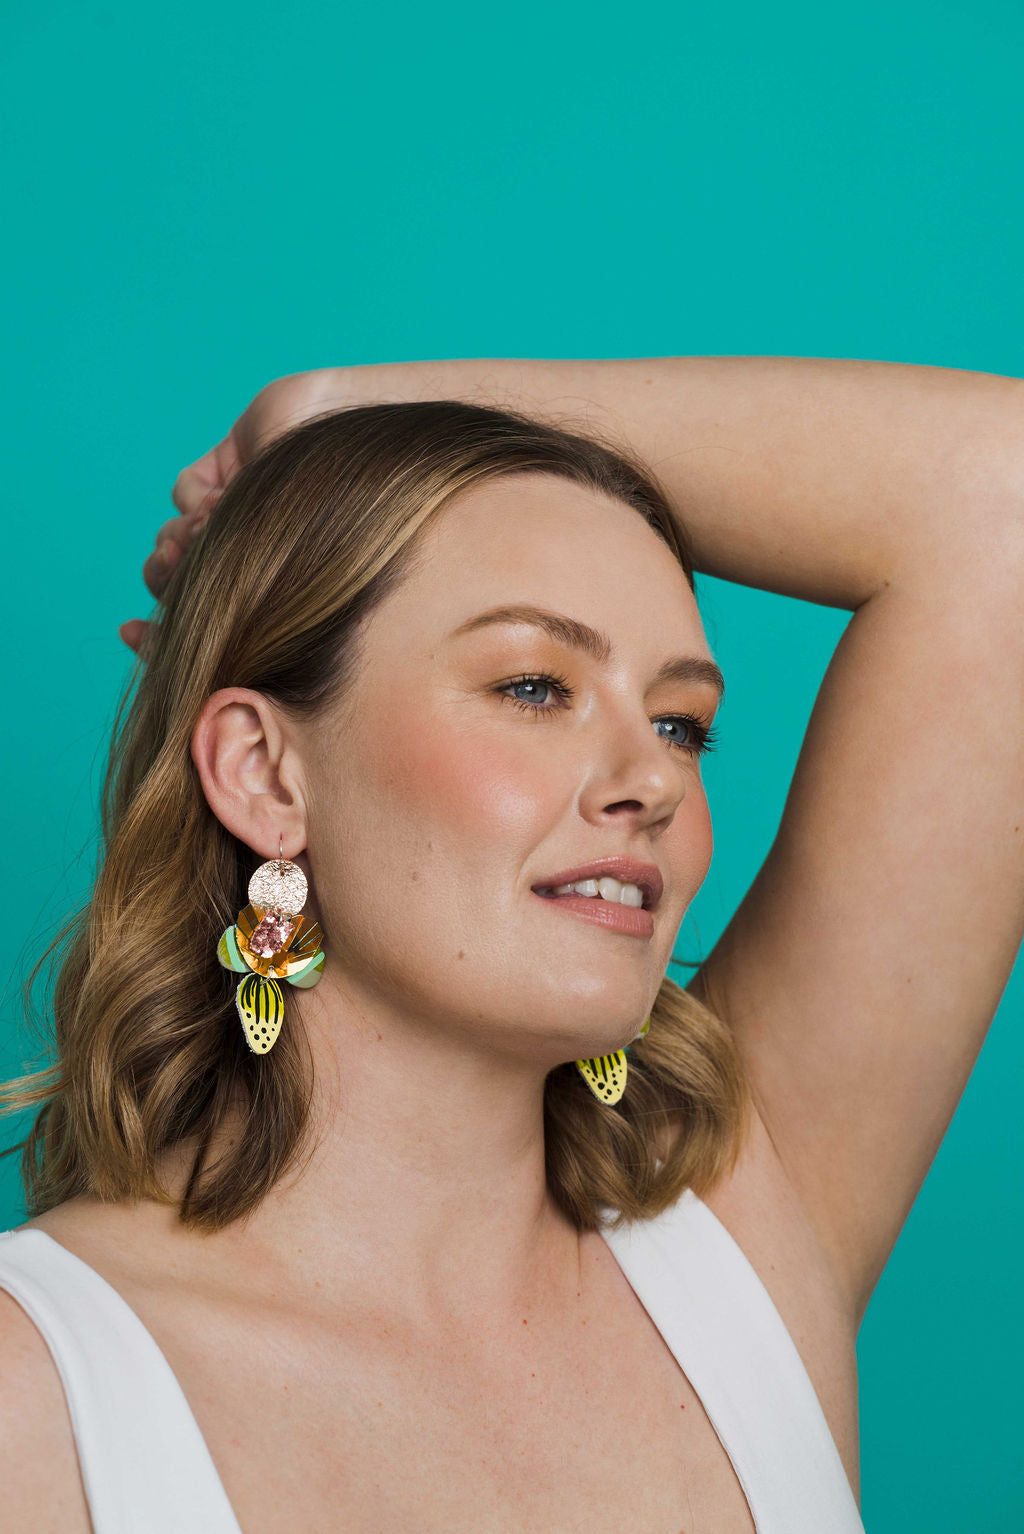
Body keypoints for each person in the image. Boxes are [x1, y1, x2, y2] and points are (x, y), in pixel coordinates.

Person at [0, 356, 1020, 1533]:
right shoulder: (36, 1396)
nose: (653, 780)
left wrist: (346, 411)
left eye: (681, 724)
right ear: (266, 773)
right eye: (535, 686)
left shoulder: (738, 1241)